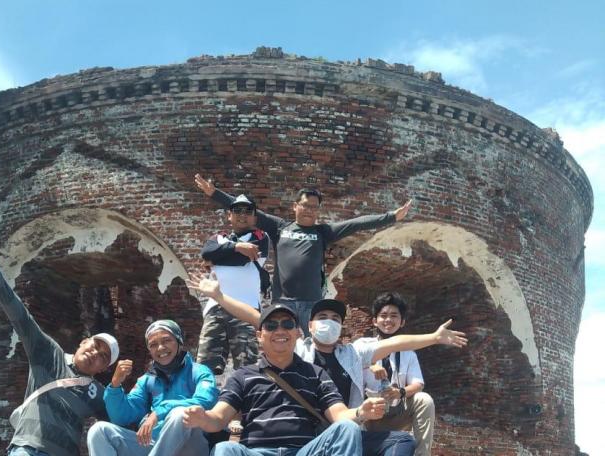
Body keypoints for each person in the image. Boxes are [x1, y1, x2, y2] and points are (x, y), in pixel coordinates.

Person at [188, 277, 468, 456]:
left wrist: (434, 337)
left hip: (335, 429)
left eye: (335, 319)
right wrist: (220, 297)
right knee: (224, 448)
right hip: (290, 438)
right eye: (322, 317)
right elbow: (259, 319)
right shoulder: (297, 348)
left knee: (392, 440)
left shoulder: (352, 354)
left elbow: (395, 342)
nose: (329, 322)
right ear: (308, 327)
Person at [194, 173, 412, 334]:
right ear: (295, 206)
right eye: (306, 205)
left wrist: (391, 216)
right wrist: (214, 193)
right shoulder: (280, 227)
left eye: (314, 207)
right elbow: (249, 210)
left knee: (310, 350)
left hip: (312, 303)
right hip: (283, 302)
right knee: (280, 342)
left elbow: (356, 224)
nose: (309, 211)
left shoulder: (323, 232)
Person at [0, 240, 120, 456]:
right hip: (27, 449)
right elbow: (21, 318)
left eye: (103, 357)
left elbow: (122, 421)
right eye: (94, 345)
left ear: (103, 369)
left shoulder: (98, 393)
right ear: (83, 342)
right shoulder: (50, 355)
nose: (95, 353)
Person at [182, 303, 387, 456]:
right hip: (257, 452)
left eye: (287, 324)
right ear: (259, 335)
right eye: (271, 325)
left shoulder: (315, 374)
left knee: (348, 428)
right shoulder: (242, 375)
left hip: (304, 451)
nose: (280, 330)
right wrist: (203, 418)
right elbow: (218, 418)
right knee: (224, 449)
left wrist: (361, 412)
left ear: (297, 333)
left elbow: (339, 414)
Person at [87, 320, 219, 456]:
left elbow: (206, 401)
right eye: (153, 345)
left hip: (190, 446)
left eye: (166, 340)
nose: (160, 348)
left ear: (179, 341)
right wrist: (115, 385)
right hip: (154, 445)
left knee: (180, 414)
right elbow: (122, 417)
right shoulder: (147, 380)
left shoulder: (199, 371)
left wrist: (158, 412)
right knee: (99, 430)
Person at [197, 194, 269, 376]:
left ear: (254, 217)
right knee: (205, 367)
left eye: (248, 211)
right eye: (237, 210)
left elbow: (240, 261)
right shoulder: (218, 237)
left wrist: (216, 258)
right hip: (215, 308)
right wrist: (237, 247)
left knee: (247, 367)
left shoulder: (260, 237)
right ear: (229, 215)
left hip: (246, 309)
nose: (242, 215)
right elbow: (206, 252)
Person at [361, 293, 437, 456]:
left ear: (402, 322)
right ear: (374, 321)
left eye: (394, 316)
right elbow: (347, 366)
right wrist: (369, 365)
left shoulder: (408, 352)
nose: (388, 320)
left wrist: (400, 392)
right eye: (383, 315)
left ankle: (421, 454)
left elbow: (418, 384)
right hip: (367, 414)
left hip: (395, 412)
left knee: (424, 400)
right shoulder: (363, 346)